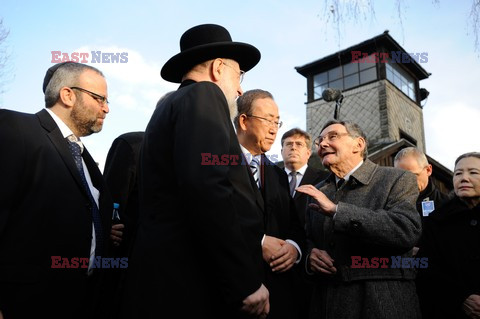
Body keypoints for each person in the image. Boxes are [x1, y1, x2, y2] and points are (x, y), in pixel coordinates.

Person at [120, 24, 269, 319]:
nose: (240, 88)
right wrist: (244, 282)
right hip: (192, 284)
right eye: (239, 75)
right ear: (218, 68)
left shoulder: (168, 107)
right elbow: (208, 188)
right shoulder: (204, 95)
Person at [0, 62, 113, 318]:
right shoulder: (14, 129)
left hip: (79, 301)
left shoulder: (84, 158)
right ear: (67, 95)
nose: (106, 108)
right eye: (99, 98)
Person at [296, 120, 422, 319]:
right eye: (319, 140)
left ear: (359, 144)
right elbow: (309, 238)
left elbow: (405, 231)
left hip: (381, 302)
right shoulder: (317, 190)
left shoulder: (397, 179)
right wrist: (311, 256)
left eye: (332, 137)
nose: (322, 144)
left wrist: (338, 211)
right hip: (325, 304)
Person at [234, 89, 305, 319]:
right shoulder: (216, 162)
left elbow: (294, 225)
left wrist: (294, 248)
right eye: (267, 120)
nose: (274, 129)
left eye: (277, 122)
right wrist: (259, 242)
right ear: (244, 121)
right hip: (234, 291)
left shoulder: (278, 174)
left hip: (277, 294)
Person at [416, 152, 480, 319]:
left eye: (473, 172)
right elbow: (428, 268)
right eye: (458, 173)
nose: (464, 178)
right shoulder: (437, 220)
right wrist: (461, 297)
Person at [279, 127, 328, 319]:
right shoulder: (268, 176)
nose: (293, 148)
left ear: (308, 152)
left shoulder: (324, 180)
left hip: (310, 266)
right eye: (288, 144)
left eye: (299, 144)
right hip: (275, 262)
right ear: (281, 150)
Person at [394, 147, 449, 218]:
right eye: (400, 177)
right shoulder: (389, 205)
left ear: (428, 170)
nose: (406, 182)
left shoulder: (446, 205)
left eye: (412, 176)